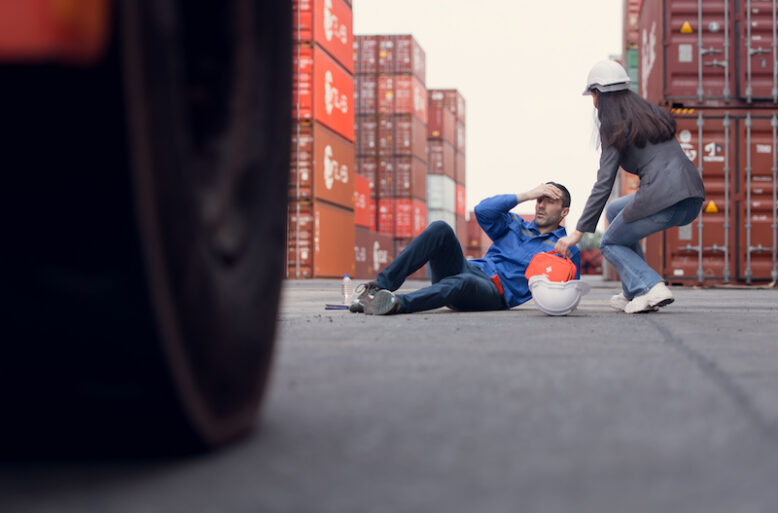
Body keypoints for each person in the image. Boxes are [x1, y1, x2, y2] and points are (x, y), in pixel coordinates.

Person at [554, 60, 705, 314]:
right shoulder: (651, 115)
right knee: (615, 211)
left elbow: (603, 184)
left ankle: (651, 286)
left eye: (592, 94)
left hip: (662, 199)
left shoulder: (614, 127)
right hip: (692, 197)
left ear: (599, 94)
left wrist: (578, 233)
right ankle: (634, 292)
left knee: (610, 243)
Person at [351, 182, 581, 315]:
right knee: (440, 228)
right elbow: (482, 211)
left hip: (493, 293)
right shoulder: (515, 224)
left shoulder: (563, 248)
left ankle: (395, 304)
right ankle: (378, 289)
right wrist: (526, 195)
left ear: (564, 212)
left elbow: (569, 293)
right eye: (539, 199)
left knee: (464, 282)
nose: (541, 204)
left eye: (550, 201)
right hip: (468, 269)